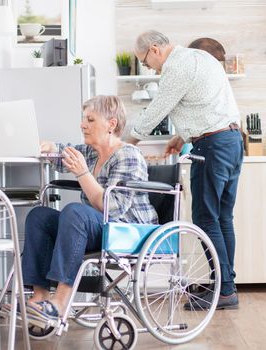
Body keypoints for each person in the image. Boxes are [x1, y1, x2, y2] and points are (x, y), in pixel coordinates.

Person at [127, 30, 244, 310]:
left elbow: (156, 111)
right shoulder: (201, 57)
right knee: (222, 218)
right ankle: (224, 283)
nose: (148, 68)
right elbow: (204, 103)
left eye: (145, 61)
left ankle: (224, 290)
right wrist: (184, 136)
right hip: (231, 141)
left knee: (206, 219)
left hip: (212, 148)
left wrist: (123, 146)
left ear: (154, 49)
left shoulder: (175, 67)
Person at [21, 95, 158, 322]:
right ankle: (40, 298)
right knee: (39, 216)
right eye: (84, 119)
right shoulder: (91, 153)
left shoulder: (128, 155)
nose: (83, 125)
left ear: (111, 124)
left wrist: (83, 173)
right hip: (96, 228)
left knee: (75, 212)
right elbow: (63, 152)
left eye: (91, 120)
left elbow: (112, 208)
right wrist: (49, 146)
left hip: (127, 231)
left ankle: (61, 302)